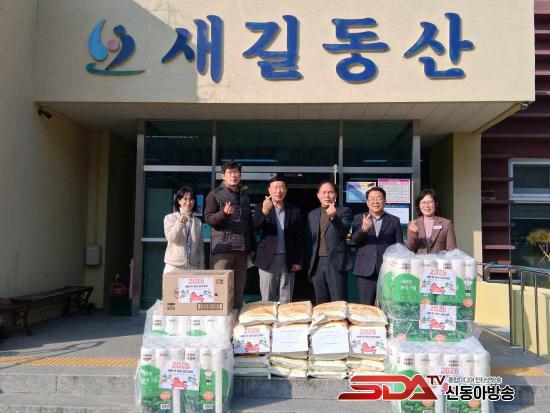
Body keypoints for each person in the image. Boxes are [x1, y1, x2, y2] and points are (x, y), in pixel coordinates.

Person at [204, 161, 253, 310]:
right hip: (223, 250)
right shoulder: (215, 194)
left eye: (236, 172)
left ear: (240, 175)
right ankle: (219, 322)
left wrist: (251, 247)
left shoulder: (244, 196)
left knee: (238, 292)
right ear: (223, 176)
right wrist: (224, 214)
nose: (233, 175)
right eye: (230, 172)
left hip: (241, 250)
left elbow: (248, 223)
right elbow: (208, 219)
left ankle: (235, 320)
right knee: (219, 291)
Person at [252, 177, 304, 303]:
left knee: (286, 298)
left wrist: (298, 260)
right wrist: (264, 211)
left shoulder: (294, 210)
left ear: (286, 190)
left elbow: (299, 237)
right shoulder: (260, 207)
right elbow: (254, 227)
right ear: (269, 190)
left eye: (281, 187)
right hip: (267, 259)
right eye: (275, 187)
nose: (278, 191)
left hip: (288, 259)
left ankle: (284, 317)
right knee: (267, 298)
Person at [351, 186, 403, 305]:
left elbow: (399, 246)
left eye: (379, 198)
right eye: (372, 199)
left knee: (387, 305)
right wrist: (363, 229)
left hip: (387, 271)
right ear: (367, 202)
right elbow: (354, 241)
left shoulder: (394, 220)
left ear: (385, 201)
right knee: (365, 307)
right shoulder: (359, 218)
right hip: (365, 270)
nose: (376, 201)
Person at [306, 181, 353, 304]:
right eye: (324, 192)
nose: (327, 195)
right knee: (321, 303)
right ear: (318, 195)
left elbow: (343, 232)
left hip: (336, 263)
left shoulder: (344, 211)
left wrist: (334, 217)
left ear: (335, 195)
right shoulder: (312, 214)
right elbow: (309, 240)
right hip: (317, 263)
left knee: (338, 302)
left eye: (330, 192)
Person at [163, 186, 204, 273]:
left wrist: (201, 270)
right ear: (179, 200)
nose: (188, 202)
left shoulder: (198, 222)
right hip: (174, 265)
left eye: (191, 199)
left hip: (192, 266)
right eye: (185, 199)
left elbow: (200, 248)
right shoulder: (170, 218)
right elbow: (171, 238)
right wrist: (180, 224)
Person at [407, 189, 457, 253]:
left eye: (430, 202)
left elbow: (452, 250)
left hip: (439, 259)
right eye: (423, 202)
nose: (426, 206)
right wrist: (413, 234)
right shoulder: (413, 224)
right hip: (420, 260)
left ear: (436, 203)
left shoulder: (446, 224)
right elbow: (410, 248)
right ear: (419, 205)